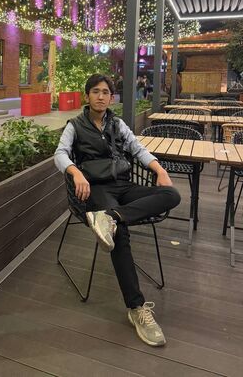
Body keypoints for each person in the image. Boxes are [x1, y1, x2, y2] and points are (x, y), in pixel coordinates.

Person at [54, 73, 181, 347]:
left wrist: (159, 169)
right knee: (119, 233)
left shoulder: (118, 124)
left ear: (111, 97)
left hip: (124, 186)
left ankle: (110, 218)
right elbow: (60, 153)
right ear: (87, 95)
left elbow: (138, 149)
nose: (101, 96)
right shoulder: (75, 125)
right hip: (96, 189)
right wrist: (76, 172)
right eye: (95, 91)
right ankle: (136, 308)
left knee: (171, 194)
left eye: (105, 92)